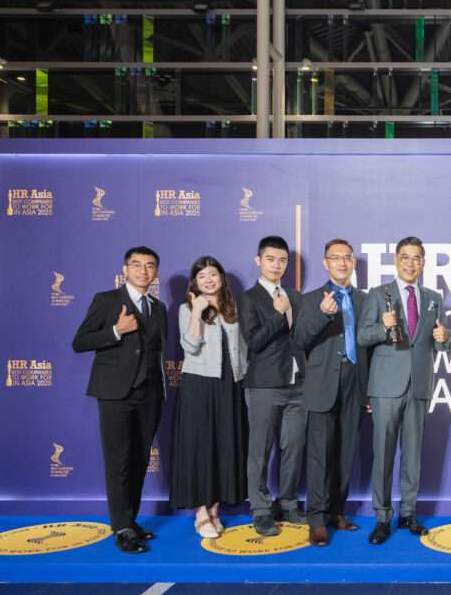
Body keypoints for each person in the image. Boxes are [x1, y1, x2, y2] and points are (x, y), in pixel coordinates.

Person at [357, 236, 451, 545]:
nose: (410, 263)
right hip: (386, 385)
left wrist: (445, 337)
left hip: (419, 385)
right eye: (405, 257)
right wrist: (383, 328)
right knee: (383, 453)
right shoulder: (378, 294)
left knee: (413, 454)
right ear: (396, 260)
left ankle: (408, 512)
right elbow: (362, 337)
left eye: (416, 258)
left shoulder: (433, 298)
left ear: (423, 263)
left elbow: (440, 343)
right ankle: (382, 517)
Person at [72, 246, 166, 554]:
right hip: (115, 394)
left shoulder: (158, 307)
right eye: (137, 265)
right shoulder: (107, 300)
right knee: (118, 462)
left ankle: (131, 519)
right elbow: (80, 342)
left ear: (155, 272)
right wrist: (116, 330)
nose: (143, 270)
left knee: (139, 460)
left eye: (150, 266)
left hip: (149, 395)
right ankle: (121, 527)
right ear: (125, 269)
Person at [293, 238, 370, 547]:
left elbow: (370, 347)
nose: (341, 262)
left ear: (353, 263)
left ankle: (337, 511)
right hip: (322, 383)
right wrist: (323, 315)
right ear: (326, 263)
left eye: (347, 257)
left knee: (345, 451)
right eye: (335, 257)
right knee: (319, 454)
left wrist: (369, 390)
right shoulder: (311, 299)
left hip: (354, 382)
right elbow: (298, 340)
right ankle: (316, 520)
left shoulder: (364, 300)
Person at [171, 256, 248, 539]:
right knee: (200, 446)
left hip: (231, 384)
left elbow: (244, 347)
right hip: (199, 384)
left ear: (221, 278)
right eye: (202, 276)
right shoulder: (187, 308)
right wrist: (197, 312)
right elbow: (190, 346)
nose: (208, 280)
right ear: (195, 282)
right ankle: (200, 513)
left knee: (224, 446)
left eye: (213, 274)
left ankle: (215, 509)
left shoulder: (233, 307)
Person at [239, 236, 305, 536]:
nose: (276, 265)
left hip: (298, 384)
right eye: (270, 259)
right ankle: (261, 509)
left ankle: (288, 503)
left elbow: (303, 336)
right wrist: (279, 314)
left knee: (293, 446)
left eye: (282, 260)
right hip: (264, 385)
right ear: (258, 261)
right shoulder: (249, 298)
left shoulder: (295, 296)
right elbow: (254, 342)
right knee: (260, 449)